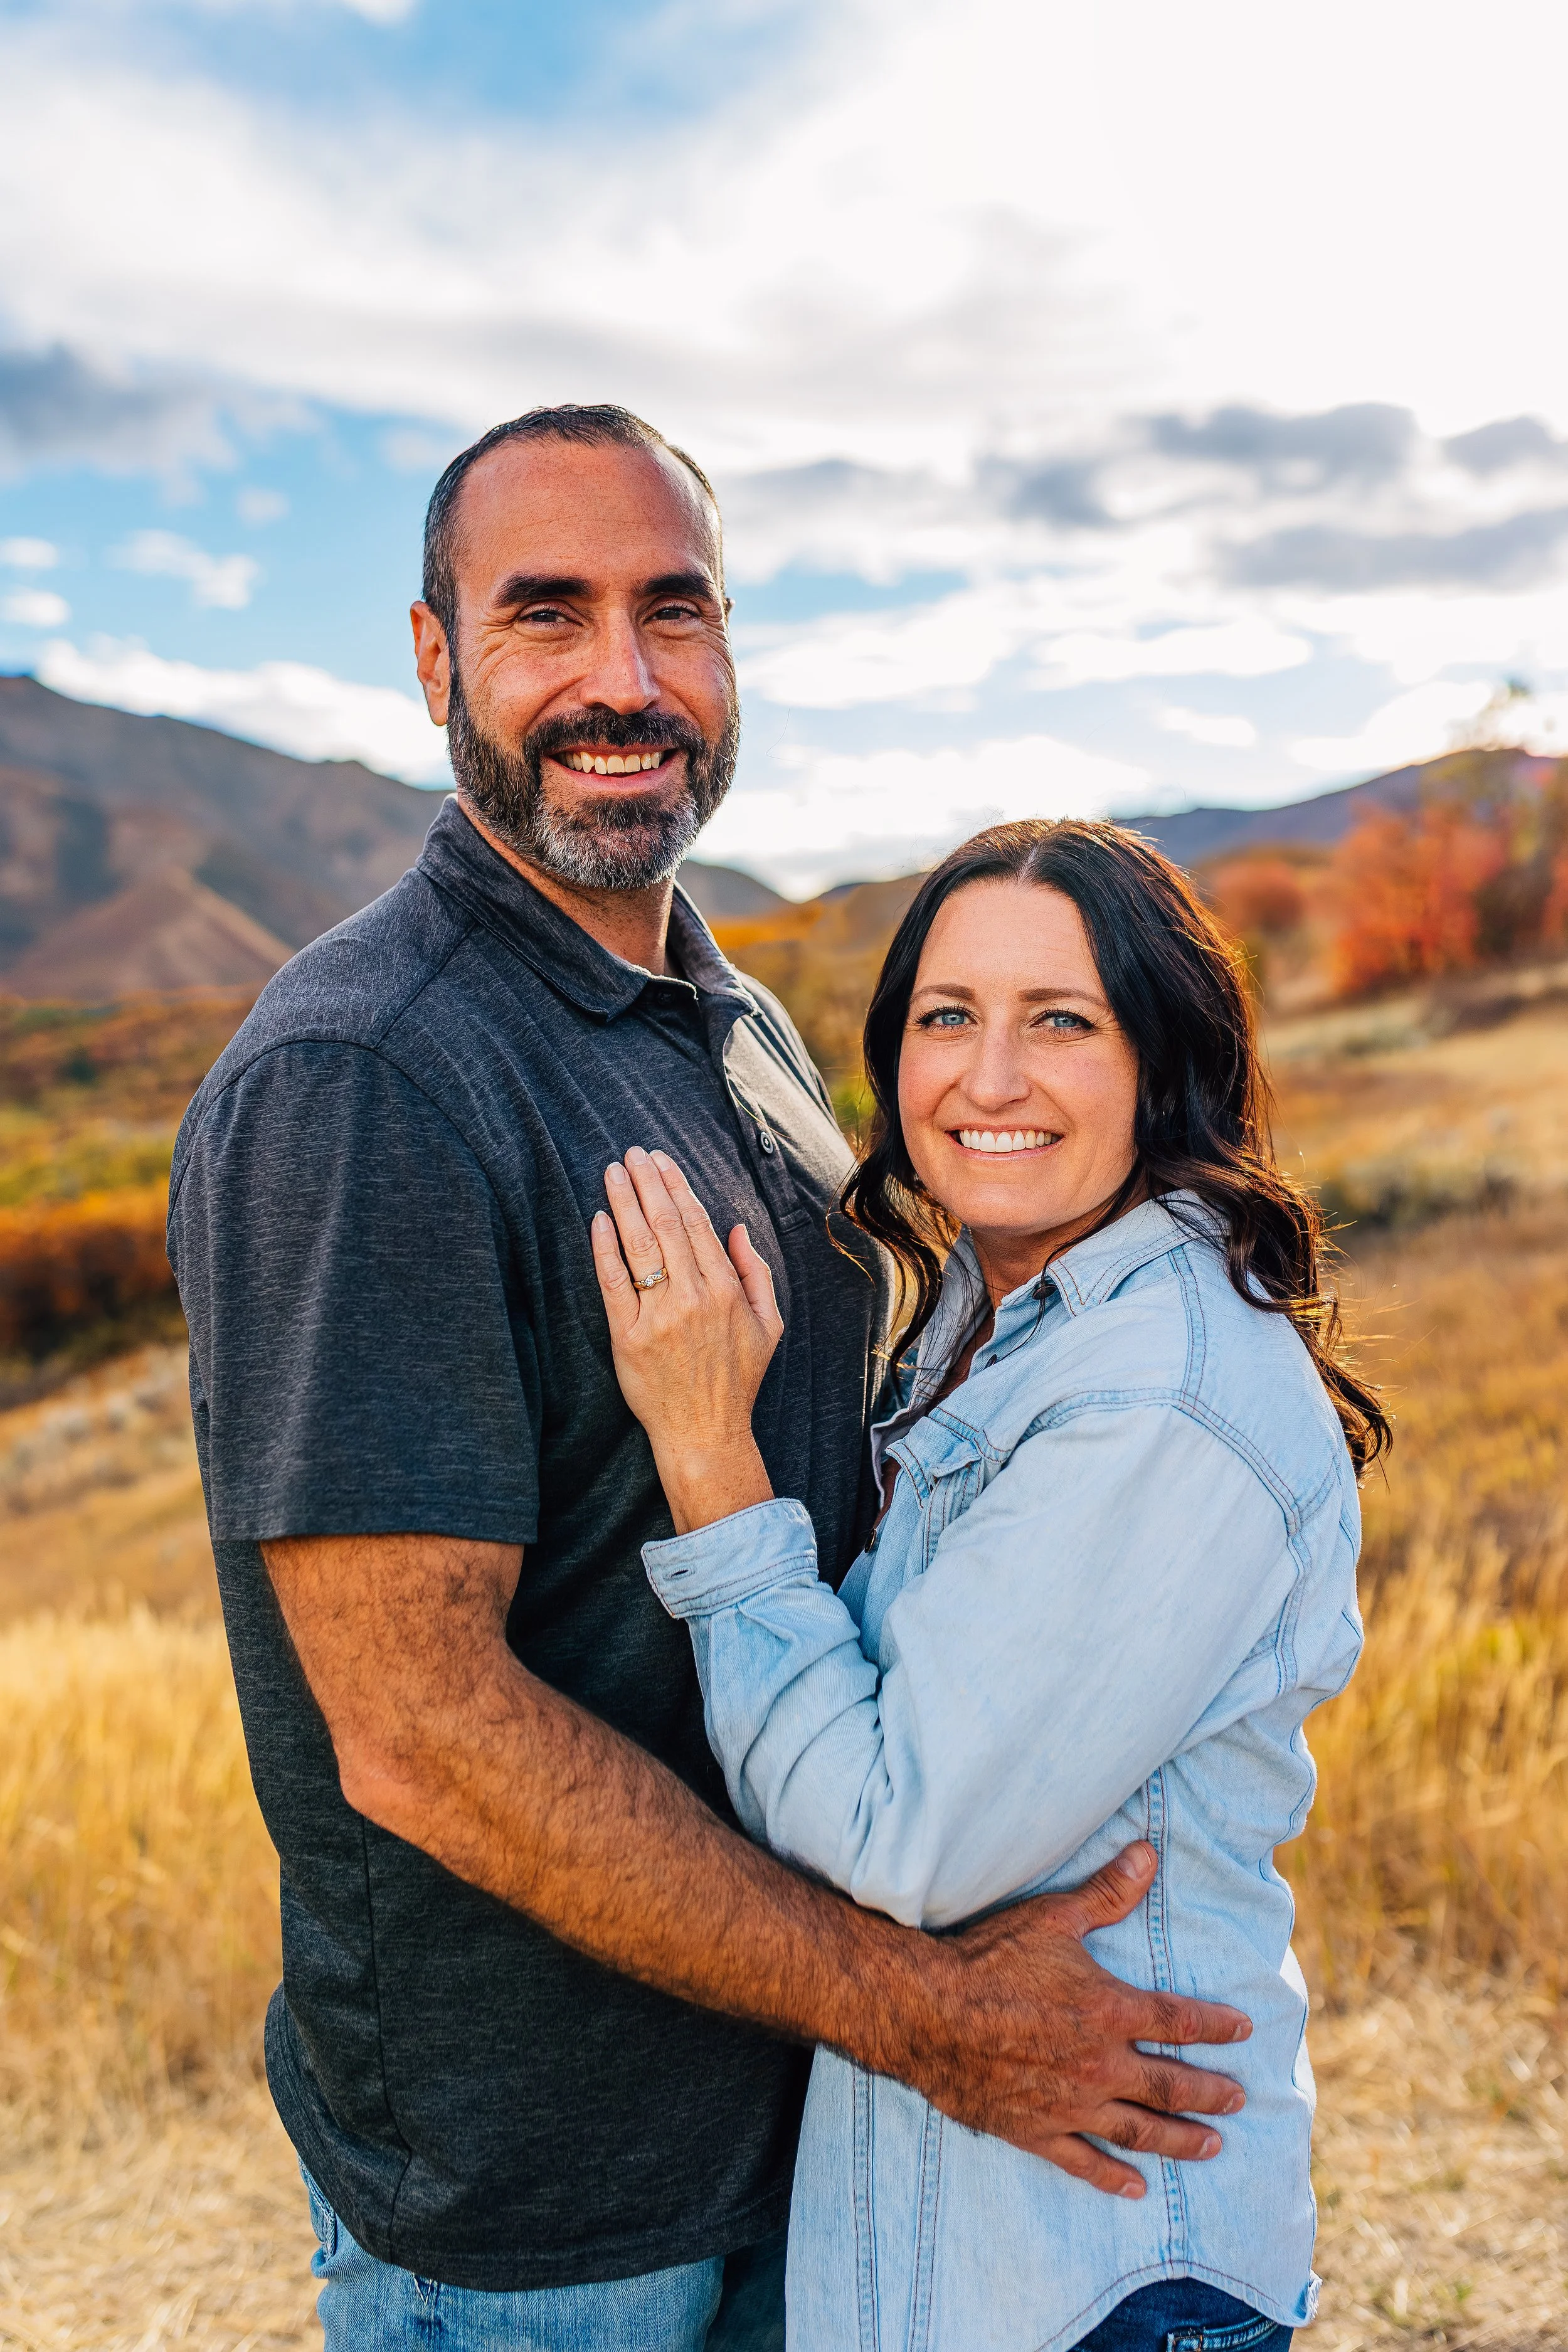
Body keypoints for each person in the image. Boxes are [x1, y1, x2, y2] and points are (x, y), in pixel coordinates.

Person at [168, 406, 1252, 2352]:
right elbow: (417, 1729)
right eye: (547, 615)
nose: (623, 680)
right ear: (434, 657)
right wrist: (922, 2008)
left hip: (803, 2123)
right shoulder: (365, 1076)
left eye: (675, 612)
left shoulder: (723, 1009)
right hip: (551, 2208)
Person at [591, 817, 1390, 2352]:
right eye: (946, 1017)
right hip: (961, 2255)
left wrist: (705, 1453)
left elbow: (902, 1833)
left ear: (1160, 1063)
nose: (989, 1077)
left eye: (1061, 1023)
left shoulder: (1155, 1394)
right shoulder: (996, 1314)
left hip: (1091, 2270)